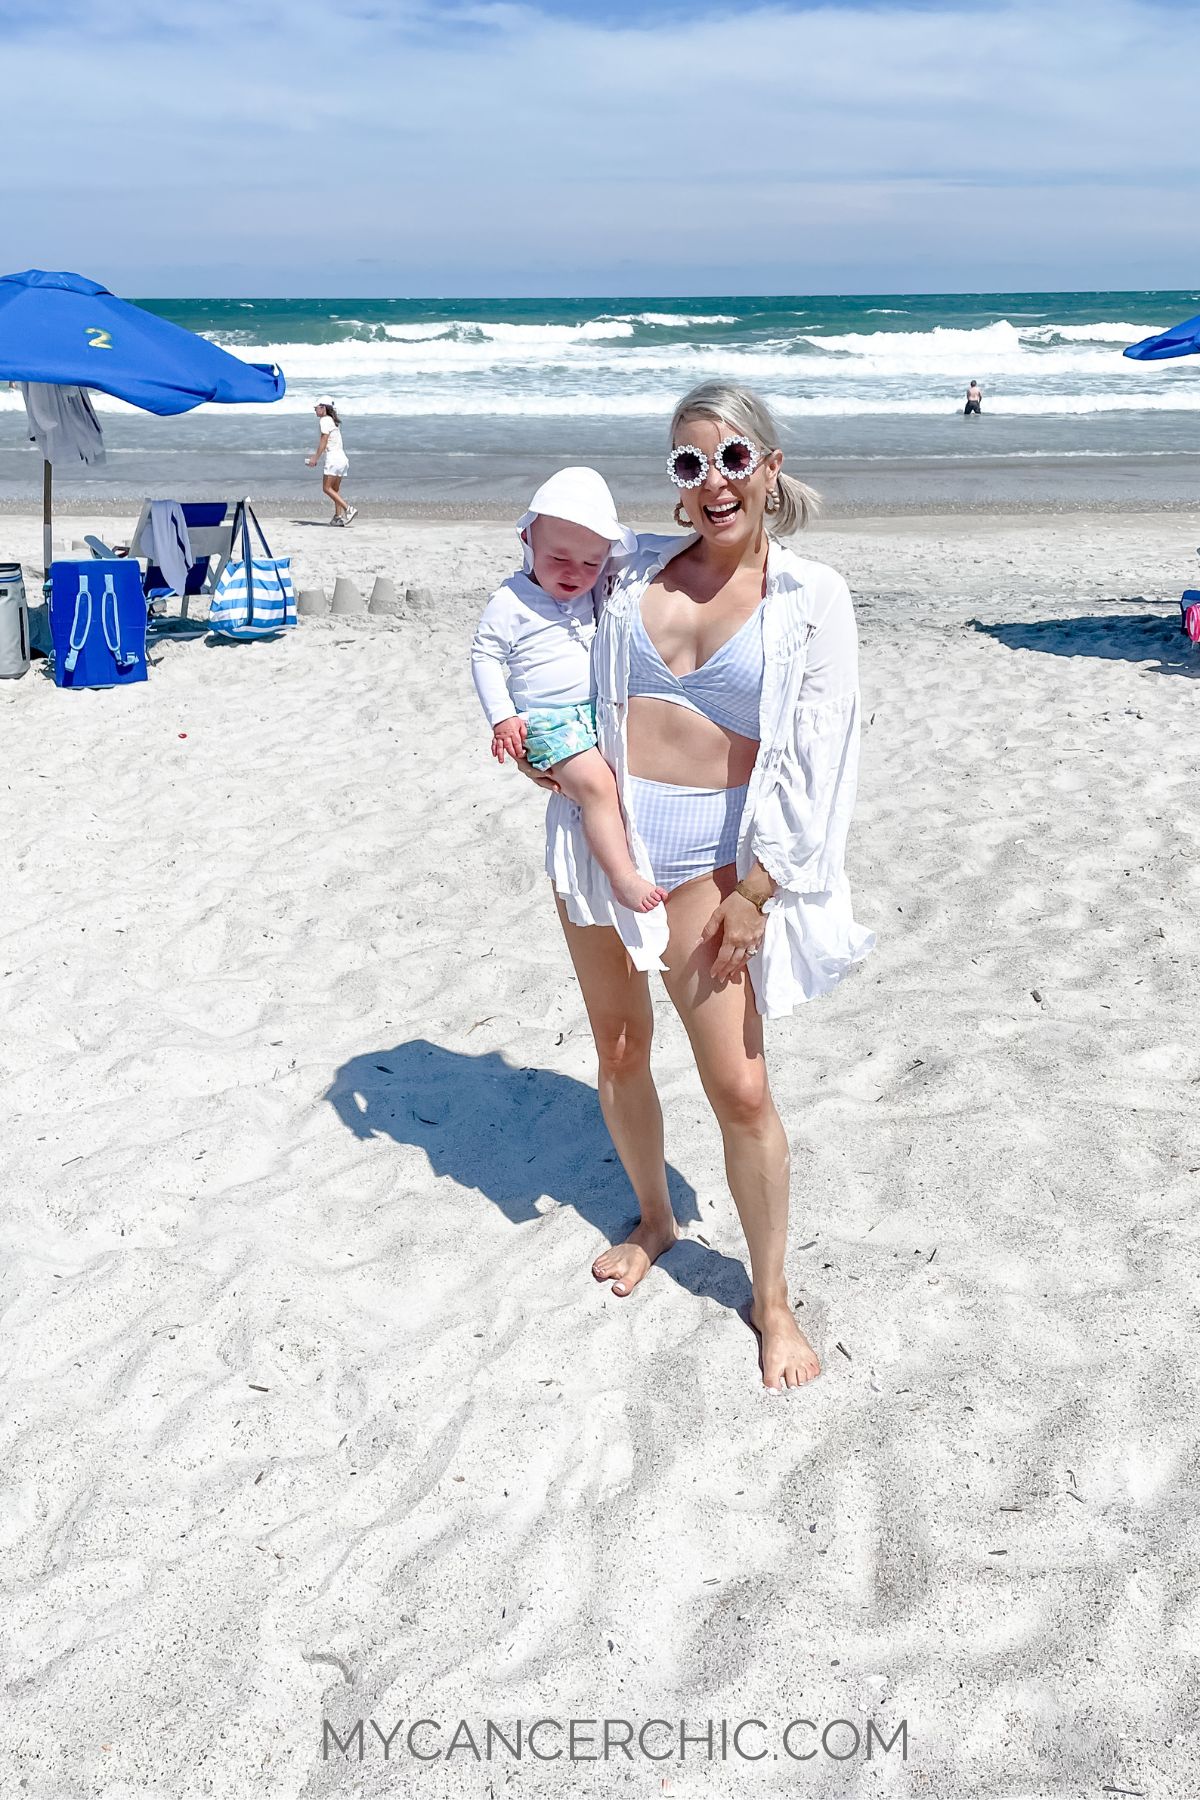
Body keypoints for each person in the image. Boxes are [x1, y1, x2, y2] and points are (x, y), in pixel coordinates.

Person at [519, 383, 874, 1391]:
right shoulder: (624, 570)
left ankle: (770, 1299)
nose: (711, 481)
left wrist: (760, 892)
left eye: (730, 457)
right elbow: (533, 632)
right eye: (688, 462)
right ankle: (657, 1218)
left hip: (716, 869)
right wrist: (541, 745)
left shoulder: (812, 599)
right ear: (674, 482)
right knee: (620, 1051)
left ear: (766, 466)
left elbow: (819, 756)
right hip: (604, 848)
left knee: (742, 1086)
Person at [472, 469, 667, 916]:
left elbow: (639, 554)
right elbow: (484, 655)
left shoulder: (589, 588)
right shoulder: (513, 600)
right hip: (545, 721)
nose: (574, 573)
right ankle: (623, 877)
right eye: (559, 558)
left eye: (589, 563)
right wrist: (502, 717)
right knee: (599, 787)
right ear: (528, 541)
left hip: (589, 716)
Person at [306, 397, 357, 525]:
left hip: (333, 458)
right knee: (335, 489)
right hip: (342, 458)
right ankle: (337, 517)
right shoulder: (332, 421)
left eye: (316, 408)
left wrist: (315, 458)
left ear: (323, 408)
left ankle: (348, 509)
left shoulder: (324, 420)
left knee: (326, 488)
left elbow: (324, 440)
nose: (315, 410)